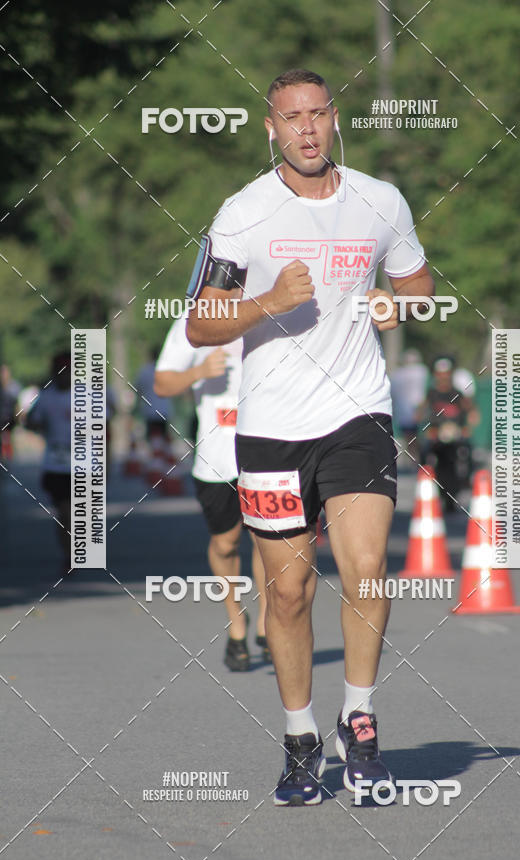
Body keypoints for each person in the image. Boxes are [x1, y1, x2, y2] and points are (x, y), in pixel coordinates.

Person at [186, 69, 434, 806]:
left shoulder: (380, 200)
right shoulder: (242, 214)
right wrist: (267, 301)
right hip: (270, 427)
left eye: (317, 114)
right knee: (288, 593)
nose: (306, 128)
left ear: (334, 119)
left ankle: (359, 721)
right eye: (290, 117)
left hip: (358, 412)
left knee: (366, 568)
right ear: (271, 128)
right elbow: (201, 322)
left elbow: (420, 288)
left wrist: (399, 305)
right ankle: (300, 739)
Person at [154, 316, 268, 670]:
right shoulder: (195, 321)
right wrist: (199, 370)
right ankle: (237, 620)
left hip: (269, 448)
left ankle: (267, 619)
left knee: (269, 538)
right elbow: (162, 383)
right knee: (226, 543)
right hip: (216, 458)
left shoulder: (273, 311)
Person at [25, 351, 72, 575]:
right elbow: (30, 421)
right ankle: (69, 555)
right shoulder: (46, 397)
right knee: (64, 512)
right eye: (60, 371)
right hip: (55, 463)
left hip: (84, 463)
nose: (64, 376)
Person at [418, 356, 478, 511]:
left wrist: (467, 424)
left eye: (446, 373)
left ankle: (465, 480)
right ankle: (427, 481)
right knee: (424, 454)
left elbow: (471, 412)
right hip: (437, 436)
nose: (443, 377)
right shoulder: (431, 393)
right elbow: (420, 412)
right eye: (440, 373)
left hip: (455, 435)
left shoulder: (457, 393)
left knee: (468, 452)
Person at [389, 348, 428, 453]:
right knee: (415, 437)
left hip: (409, 409)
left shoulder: (397, 374)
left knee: (412, 438)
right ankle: (418, 461)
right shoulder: (421, 371)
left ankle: (417, 460)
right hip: (415, 407)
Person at [135, 348, 174, 442]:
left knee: (153, 442)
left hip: (150, 412)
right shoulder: (167, 370)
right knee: (162, 443)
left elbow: (138, 390)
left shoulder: (144, 371)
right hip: (164, 411)